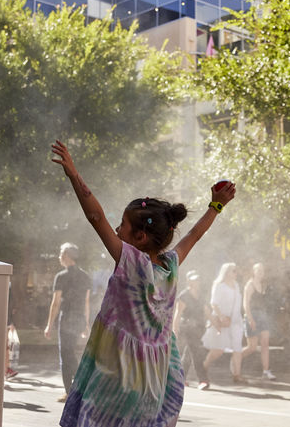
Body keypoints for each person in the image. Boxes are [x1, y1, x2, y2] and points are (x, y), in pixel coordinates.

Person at [49, 140, 236, 427]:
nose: (116, 229)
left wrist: (74, 175)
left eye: (122, 225)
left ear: (140, 238)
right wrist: (216, 205)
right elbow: (195, 234)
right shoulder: (171, 264)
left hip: (120, 373)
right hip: (157, 377)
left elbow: (95, 216)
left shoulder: (130, 262)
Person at [45, 242, 91, 402]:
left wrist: (49, 325)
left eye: (60, 254)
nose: (59, 257)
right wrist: (86, 323)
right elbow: (86, 302)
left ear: (65, 256)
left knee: (66, 356)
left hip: (67, 319)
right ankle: (79, 387)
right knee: (70, 352)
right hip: (79, 318)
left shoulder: (61, 276)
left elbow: (56, 303)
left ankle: (70, 391)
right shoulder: (85, 276)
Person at [201, 262, 246, 383]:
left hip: (236, 321)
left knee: (237, 348)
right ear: (226, 272)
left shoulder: (236, 285)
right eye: (234, 271)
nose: (236, 273)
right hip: (222, 320)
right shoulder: (219, 285)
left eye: (236, 271)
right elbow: (214, 303)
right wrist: (221, 317)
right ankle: (204, 366)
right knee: (218, 349)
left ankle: (237, 375)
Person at [173, 270, 211, 389]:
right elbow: (178, 314)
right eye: (194, 279)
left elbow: (206, 311)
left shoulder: (201, 295)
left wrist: (216, 323)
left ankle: (180, 379)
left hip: (199, 328)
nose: (197, 282)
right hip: (187, 328)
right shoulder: (184, 296)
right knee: (196, 353)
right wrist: (175, 330)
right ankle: (203, 380)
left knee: (188, 354)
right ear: (189, 281)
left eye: (198, 279)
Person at [241, 262, 275, 380]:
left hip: (262, 315)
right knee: (252, 347)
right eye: (259, 270)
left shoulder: (263, 285)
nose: (261, 273)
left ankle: (266, 371)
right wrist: (250, 318)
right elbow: (245, 303)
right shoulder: (249, 285)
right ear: (254, 271)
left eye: (262, 271)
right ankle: (236, 359)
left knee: (265, 343)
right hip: (252, 315)